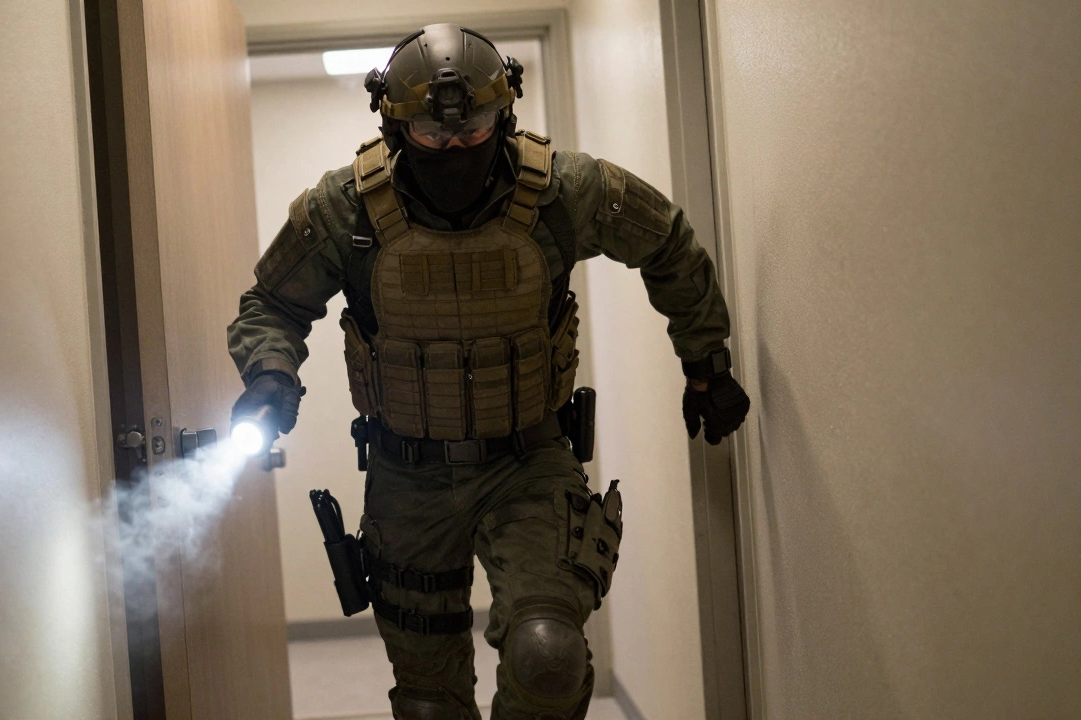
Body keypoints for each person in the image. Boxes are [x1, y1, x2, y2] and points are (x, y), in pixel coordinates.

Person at [227, 23, 750, 720]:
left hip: (529, 464)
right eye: (434, 138)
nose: (454, 150)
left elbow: (669, 244)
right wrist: (269, 377)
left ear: (503, 118)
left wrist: (705, 361)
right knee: (428, 704)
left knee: (549, 656)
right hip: (406, 475)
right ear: (394, 125)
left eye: (473, 135)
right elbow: (270, 303)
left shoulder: (566, 190)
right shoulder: (344, 208)